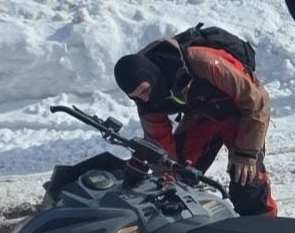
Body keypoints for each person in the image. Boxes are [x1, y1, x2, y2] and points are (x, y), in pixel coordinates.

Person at [113, 31, 278, 216]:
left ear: (152, 76)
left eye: (145, 91)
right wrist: (167, 177)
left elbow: (256, 101)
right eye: (135, 97)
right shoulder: (145, 99)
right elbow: (158, 140)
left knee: (247, 185)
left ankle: (268, 226)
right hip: (202, 117)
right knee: (179, 176)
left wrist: (246, 154)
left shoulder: (202, 62)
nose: (144, 98)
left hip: (240, 114)